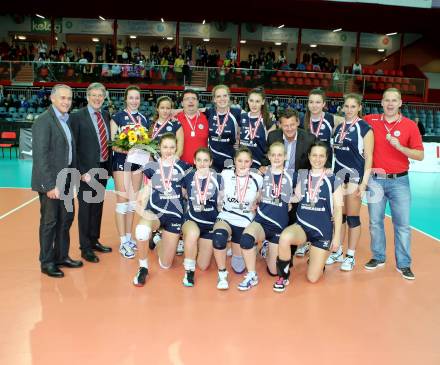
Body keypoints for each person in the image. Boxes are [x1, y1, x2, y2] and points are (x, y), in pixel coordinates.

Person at [363, 88, 424, 280]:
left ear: (400, 103)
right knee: (374, 223)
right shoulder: (370, 121)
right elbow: (348, 121)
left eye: (394, 100)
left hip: (400, 181)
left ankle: (404, 264)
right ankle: (379, 257)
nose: (390, 104)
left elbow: (420, 155)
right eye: (386, 100)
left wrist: (400, 147)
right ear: (381, 103)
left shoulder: (409, 126)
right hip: (375, 179)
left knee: (403, 225)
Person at [273, 141, 343, 292]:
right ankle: (283, 277)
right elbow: (297, 197)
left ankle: (318, 258)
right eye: (314, 155)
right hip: (302, 226)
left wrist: (337, 237)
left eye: (321, 156)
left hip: (322, 230)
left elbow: (338, 209)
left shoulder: (334, 179)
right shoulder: (303, 175)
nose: (317, 159)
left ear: (326, 158)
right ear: (309, 157)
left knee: (312, 278)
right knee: (285, 237)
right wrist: (281, 199)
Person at [31, 84, 83, 278]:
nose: (66, 102)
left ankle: (61, 256)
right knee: (50, 222)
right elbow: (41, 156)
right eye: (62, 98)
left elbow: (70, 151)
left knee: (66, 219)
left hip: (67, 179)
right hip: (52, 182)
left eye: (69, 98)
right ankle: (46, 262)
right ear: (52, 98)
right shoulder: (43, 121)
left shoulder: (66, 120)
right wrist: (49, 186)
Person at [132, 133, 190, 286]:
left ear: (177, 148)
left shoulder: (183, 167)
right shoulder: (152, 166)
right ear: (160, 148)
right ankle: (143, 268)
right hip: (155, 211)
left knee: (166, 264)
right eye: (165, 147)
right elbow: (146, 186)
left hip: (174, 216)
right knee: (141, 231)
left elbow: (187, 192)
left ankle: (157, 240)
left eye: (172, 147)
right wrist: (142, 199)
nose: (169, 150)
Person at [237, 142, 296, 291]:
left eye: (280, 155)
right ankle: (252, 275)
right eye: (273, 155)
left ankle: (266, 246)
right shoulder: (261, 174)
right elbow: (254, 191)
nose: (276, 158)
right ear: (269, 156)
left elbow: (300, 196)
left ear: (285, 156)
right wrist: (255, 200)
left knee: (274, 272)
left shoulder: (292, 175)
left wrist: (290, 200)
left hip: (278, 227)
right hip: (261, 221)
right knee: (246, 239)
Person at [327, 93, 373, 271]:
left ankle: (351, 255)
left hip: (355, 177)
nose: (349, 109)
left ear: (359, 107)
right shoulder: (338, 128)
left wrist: (363, 183)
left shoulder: (365, 128)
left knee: (353, 217)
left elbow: (369, 157)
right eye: (346, 106)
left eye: (353, 106)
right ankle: (337, 250)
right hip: (339, 177)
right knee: (341, 216)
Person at [70, 83, 113, 264]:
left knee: (97, 208)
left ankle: (94, 240)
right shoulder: (77, 117)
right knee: (86, 210)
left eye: (100, 95)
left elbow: (107, 142)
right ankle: (85, 247)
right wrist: (80, 172)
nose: (97, 98)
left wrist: (109, 169)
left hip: (102, 168)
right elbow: (73, 146)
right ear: (87, 96)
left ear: (104, 97)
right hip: (85, 172)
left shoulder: (105, 114)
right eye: (94, 95)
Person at [212, 147, 263, 289]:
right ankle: (222, 274)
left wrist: (257, 203)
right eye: (240, 161)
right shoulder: (225, 174)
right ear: (234, 161)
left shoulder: (258, 179)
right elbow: (219, 196)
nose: (243, 164)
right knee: (218, 238)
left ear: (251, 162)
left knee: (239, 267)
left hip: (245, 220)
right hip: (226, 216)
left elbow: (262, 199)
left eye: (246, 161)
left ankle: (243, 248)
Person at [110, 86, 151, 259]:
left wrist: (141, 150)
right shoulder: (117, 117)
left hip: (137, 164)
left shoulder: (144, 119)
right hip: (121, 162)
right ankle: (122, 242)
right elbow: (113, 142)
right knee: (122, 201)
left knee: (133, 203)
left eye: (137, 98)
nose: (134, 101)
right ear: (126, 99)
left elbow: (147, 143)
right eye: (131, 98)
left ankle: (128, 238)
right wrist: (128, 149)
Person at [181, 148, 223, 287]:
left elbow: (221, 204)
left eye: (206, 160)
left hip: (210, 224)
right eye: (199, 160)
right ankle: (189, 271)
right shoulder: (188, 177)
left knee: (203, 266)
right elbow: (183, 195)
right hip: (192, 220)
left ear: (210, 162)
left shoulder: (218, 179)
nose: (202, 163)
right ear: (194, 161)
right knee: (193, 233)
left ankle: (193, 246)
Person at [205, 85, 241, 171]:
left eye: (225, 96)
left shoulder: (237, 113)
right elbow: (192, 110)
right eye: (218, 96)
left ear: (229, 97)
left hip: (229, 158)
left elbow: (249, 125)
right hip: (212, 159)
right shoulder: (209, 112)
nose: (222, 99)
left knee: (228, 182)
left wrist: (240, 140)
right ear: (214, 99)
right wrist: (173, 112)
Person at [239, 88, 276, 170]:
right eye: (251, 101)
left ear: (263, 102)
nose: (254, 104)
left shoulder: (268, 121)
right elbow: (237, 138)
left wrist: (266, 166)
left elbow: (272, 148)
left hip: (259, 166)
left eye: (257, 101)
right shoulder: (242, 117)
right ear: (247, 101)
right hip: (242, 164)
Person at [175, 89, 209, 165]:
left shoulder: (207, 118)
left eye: (194, 99)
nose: (191, 101)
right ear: (182, 103)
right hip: (180, 166)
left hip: (202, 166)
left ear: (198, 102)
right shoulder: (175, 119)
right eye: (187, 99)